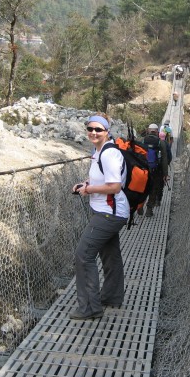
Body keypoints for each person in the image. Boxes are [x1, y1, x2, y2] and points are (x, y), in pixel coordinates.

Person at [70, 113, 129, 320]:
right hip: (107, 211)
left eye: (98, 129)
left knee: (83, 255)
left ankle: (89, 308)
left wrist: (89, 190)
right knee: (109, 254)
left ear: (107, 132)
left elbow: (114, 186)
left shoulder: (108, 154)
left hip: (109, 214)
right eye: (90, 129)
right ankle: (112, 296)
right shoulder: (99, 152)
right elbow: (103, 179)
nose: (93, 133)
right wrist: (86, 184)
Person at [142, 123, 168, 216]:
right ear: (157, 131)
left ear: (148, 130)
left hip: (143, 169)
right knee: (153, 189)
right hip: (156, 170)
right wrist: (165, 173)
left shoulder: (143, 140)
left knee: (143, 188)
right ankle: (149, 209)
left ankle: (140, 207)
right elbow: (164, 158)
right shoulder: (161, 142)